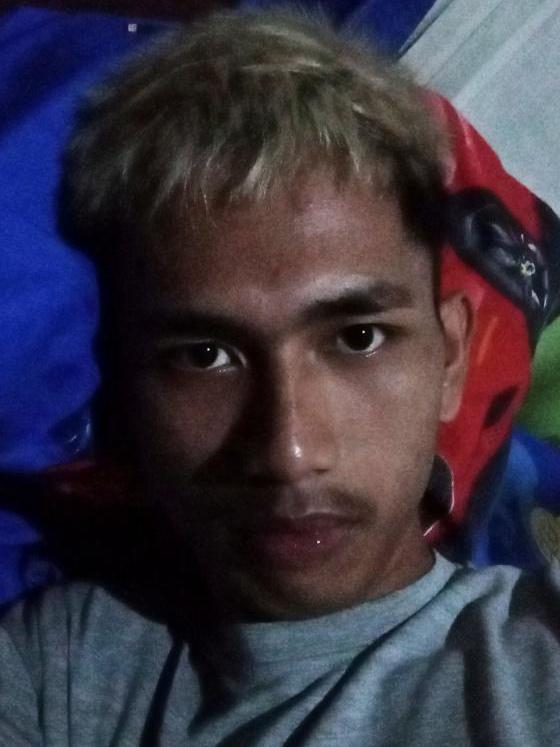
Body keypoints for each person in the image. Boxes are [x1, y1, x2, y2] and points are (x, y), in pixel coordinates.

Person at [1, 7, 559, 746]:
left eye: (358, 337)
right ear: (126, 385)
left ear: (451, 356)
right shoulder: (53, 668)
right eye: (204, 355)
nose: (289, 452)